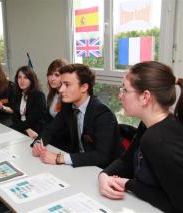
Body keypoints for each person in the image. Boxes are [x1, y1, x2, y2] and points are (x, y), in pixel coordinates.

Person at [98, 61, 183, 212]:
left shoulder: (159, 140)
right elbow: (127, 159)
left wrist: (128, 184)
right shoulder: (148, 125)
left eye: (125, 89)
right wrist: (104, 175)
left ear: (145, 97)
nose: (120, 95)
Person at [32, 64, 121, 168]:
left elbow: (102, 156)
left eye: (67, 85)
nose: (61, 90)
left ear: (84, 87)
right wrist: (38, 143)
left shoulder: (103, 114)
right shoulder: (68, 106)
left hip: (103, 171)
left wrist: (60, 158)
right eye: (61, 84)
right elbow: (50, 129)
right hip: (79, 165)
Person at [11, 66, 46, 138]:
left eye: (26, 78)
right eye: (19, 77)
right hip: (23, 129)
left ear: (32, 80)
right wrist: (26, 128)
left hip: (35, 132)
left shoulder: (39, 95)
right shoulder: (16, 94)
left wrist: (25, 128)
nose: (22, 81)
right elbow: (14, 117)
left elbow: (32, 120)